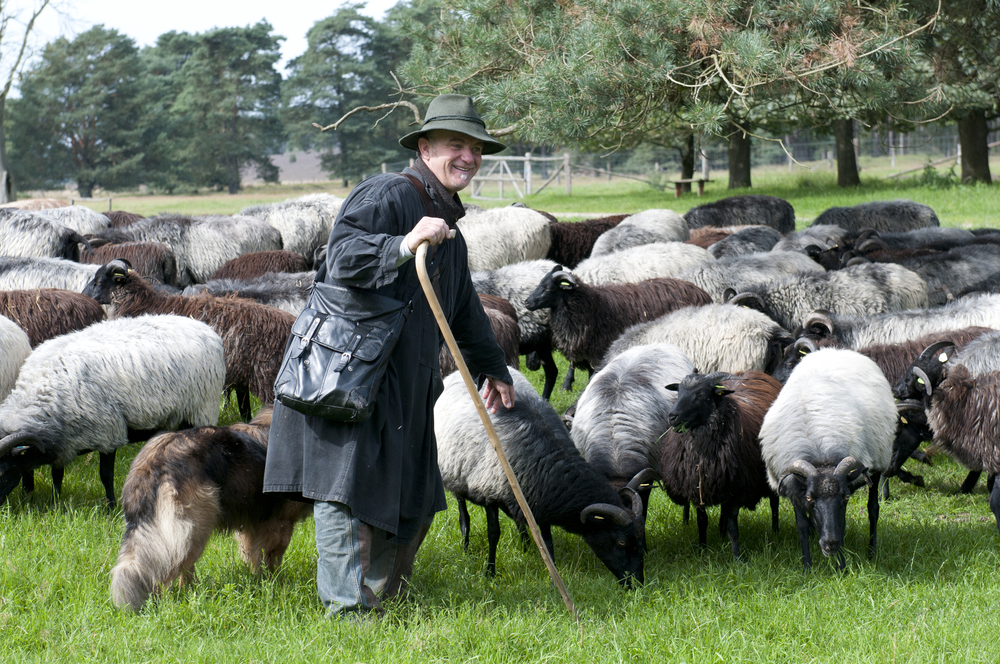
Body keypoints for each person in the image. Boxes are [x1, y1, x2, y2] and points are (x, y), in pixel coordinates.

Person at [263, 94, 516, 617]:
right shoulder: (388, 194)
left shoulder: (451, 230)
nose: (467, 157)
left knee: (415, 493)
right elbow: (342, 256)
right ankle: (350, 611)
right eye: (455, 146)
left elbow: (464, 309)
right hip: (352, 375)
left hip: (406, 379)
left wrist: (491, 365)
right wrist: (402, 243)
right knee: (348, 489)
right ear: (424, 148)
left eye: (475, 149)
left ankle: (385, 595)